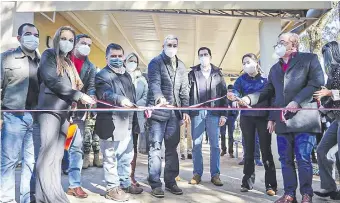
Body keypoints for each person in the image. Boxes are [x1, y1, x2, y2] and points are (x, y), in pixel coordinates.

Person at [237, 32, 324, 203]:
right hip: (283, 121)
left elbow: (316, 83)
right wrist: (249, 99)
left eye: (283, 42)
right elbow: (269, 92)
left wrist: (297, 101)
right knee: (285, 160)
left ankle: (307, 194)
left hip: (304, 119)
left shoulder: (309, 59)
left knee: (303, 159)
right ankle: (289, 194)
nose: (279, 45)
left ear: (294, 44)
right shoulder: (274, 69)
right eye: (278, 42)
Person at [35, 26, 96, 203]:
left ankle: (53, 193)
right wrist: (78, 95)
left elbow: (75, 86)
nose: (67, 43)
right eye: (64, 38)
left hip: (65, 112)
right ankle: (45, 196)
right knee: (47, 155)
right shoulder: (48, 55)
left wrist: (81, 99)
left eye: (71, 40)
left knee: (57, 156)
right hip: (49, 110)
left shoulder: (68, 62)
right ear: (56, 38)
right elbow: (52, 81)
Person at [95, 43, 143, 202]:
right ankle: (111, 188)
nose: (117, 59)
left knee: (126, 155)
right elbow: (105, 94)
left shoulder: (126, 75)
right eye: (113, 56)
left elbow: (133, 97)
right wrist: (120, 100)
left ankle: (125, 182)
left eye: (119, 56)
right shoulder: (102, 75)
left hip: (127, 121)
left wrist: (140, 108)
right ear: (106, 58)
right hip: (110, 123)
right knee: (110, 157)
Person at [1, 23, 40, 203]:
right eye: (28, 34)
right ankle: (7, 199)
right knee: (9, 162)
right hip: (13, 117)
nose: (33, 37)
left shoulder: (42, 61)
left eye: (36, 34)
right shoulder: (7, 58)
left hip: (36, 119)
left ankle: (26, 198)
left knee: (30, 162)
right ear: (19, 38)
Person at [146, 35, 190, 198]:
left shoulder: (181, 66)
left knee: (172, 149)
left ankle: (171, 181)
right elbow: (154, 83)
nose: (172, 47)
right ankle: (155, 183)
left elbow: (184, 90)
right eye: (169, 44)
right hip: (158, 112)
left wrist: (185, 110)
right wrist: (159, 98)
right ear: (163, 45)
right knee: (156, 148)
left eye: (174, 45)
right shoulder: (155, 62)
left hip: (174, 113)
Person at [228, 53, 277, 196]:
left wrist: (271, 118)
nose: (246, 65)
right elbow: (235, 90)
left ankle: (271, 185)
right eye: (243, 63)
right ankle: (247, 182)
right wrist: (233, 96)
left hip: (263, 118)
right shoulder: (241, 79)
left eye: (248, 62)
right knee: (248, 151)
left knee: (266, 151)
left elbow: (271, 98)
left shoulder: (266, 79)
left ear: (256, 62)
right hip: (246, 118)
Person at [60, 33, 98, 199]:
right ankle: (51, 183)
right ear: (75, 44)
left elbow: (90, 87)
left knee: (76, 148)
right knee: (56, 148)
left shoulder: (90, 67)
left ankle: (74, 185)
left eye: (89, 44)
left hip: (78, 114)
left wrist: (91, 97)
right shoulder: (62, 59)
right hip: (59, 111)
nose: (87, 47)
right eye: (83, 43)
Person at [187, 47, 227, 186]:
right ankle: (197, 173)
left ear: (210, 56)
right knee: (196, 145)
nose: (203, 57)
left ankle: (215, 175)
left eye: (205, 54)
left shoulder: (218, 73)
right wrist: (187, 111)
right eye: (201, 55)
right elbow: (187, 93)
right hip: (197, 113)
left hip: (214, 113)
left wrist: (224, 114)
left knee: (215, 146)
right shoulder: (192, 73)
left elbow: (224, 95)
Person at [314, 41, 340, 200]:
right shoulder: (331, 73)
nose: (326, 58)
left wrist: (330, 93)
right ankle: (329, 187)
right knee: (322, 150)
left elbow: (330, 94)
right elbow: (327, 99)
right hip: (337, 118)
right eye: (324, 55)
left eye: (327, 53)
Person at [124, 52, 148, 186]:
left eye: (134, 61)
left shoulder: (142, 80)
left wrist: (138, 104)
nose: (132, 63)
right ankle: (121, 175)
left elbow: (146, 95)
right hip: (122, 117)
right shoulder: (121, 76)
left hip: (136, 118)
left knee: (132, 147)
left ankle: (131, 175)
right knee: (121, 147)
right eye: (129, 60)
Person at [220, 85, 239, 158]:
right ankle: (223, 150)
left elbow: (237, 109)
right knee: (222, 134)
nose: (230, 92)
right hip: (223, 118)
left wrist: (234, 117)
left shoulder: (235, 98)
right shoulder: (224, 98)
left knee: (231, 135)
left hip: (231, 118)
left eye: (232, 91)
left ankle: (231, 151)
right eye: (229, 91)